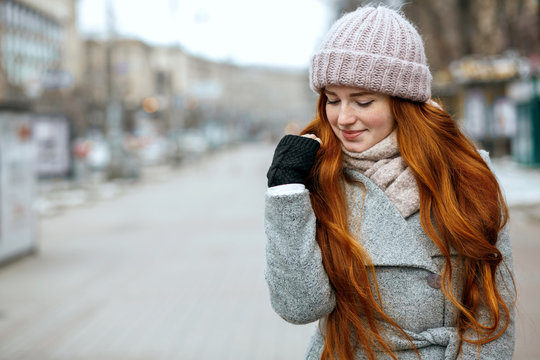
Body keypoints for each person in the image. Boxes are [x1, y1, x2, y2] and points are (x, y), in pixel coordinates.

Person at [264, 5, 515, 360]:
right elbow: (299, 307)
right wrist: (286, 191)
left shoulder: (466, 174)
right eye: (332, 100)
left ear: (404, 103)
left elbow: (493, 315)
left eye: (363, 101)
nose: (343, 118)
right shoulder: (320, 178)